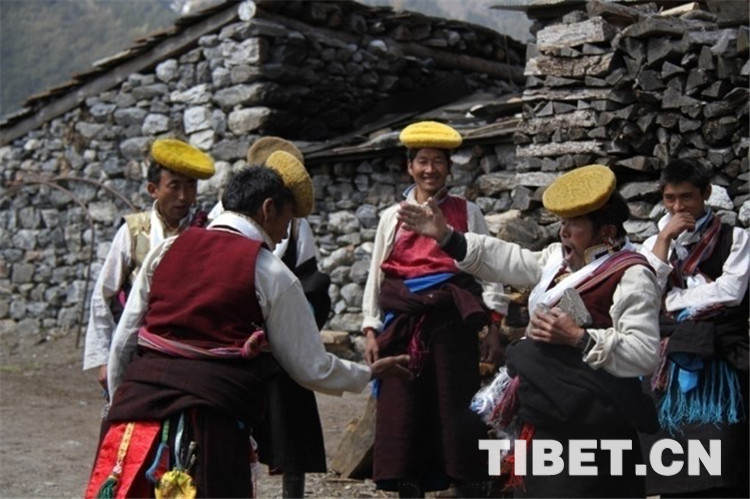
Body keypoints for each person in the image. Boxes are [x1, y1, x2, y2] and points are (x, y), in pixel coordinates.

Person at [84, 154, 410, 499]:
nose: (285, 233)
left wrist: (119, 405)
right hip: (211, 424)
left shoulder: (166, 249)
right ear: (268, 209)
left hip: (138, 419)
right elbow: (311, 367)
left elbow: (125, 340)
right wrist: (367, 374)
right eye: (288, 219)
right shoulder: (271, 273)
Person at [398, 164, 662, 498]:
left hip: (592, 424)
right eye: (562, 222)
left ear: (607, 232)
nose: (563, 232)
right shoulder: (558, 262)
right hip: (546, 415)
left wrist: (578, 338)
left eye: (574, 223)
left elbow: (643, 353)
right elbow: (510, 260)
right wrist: (447, 237)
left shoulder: (632, 275)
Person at [361, 121, 509, 497]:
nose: (430, 170)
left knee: (455, 407)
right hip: (403, 323)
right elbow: (377, 277)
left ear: (449, 168)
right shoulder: (392, 217)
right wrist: (371, 329)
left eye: (438, 162)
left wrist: (493, 324)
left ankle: (465, 482)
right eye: (422, 161)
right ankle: (409, 483)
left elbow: (487, 268)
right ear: (409, 167)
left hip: (451, 325)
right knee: (404, 411)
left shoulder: (467, 212)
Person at [209, 136, 332, 498]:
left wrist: (292, 327)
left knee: (292, 428)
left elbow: (310, 279)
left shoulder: (296, 226)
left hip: (280, 344)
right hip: (233, 344)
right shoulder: (219, 220)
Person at [637, 159, 749, 498]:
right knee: (670, 457)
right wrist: (664, 239)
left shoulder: (736, 239)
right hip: (667, 365)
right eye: (669, 198)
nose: (677, 207)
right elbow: (644, 292)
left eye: (686, 197)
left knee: (724, 451)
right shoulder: (654, 245)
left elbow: (731, 292)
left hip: (721, 357)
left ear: (706, 193)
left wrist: (672, 300)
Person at [83, 138, 214, 393]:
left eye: (190, 186)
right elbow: (103, 295)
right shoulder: (133, 232)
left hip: (190, 350)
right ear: (153, 189)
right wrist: (104, 359)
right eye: (174, 186)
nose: (183, 196)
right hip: (138, 350)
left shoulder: (207, 230)